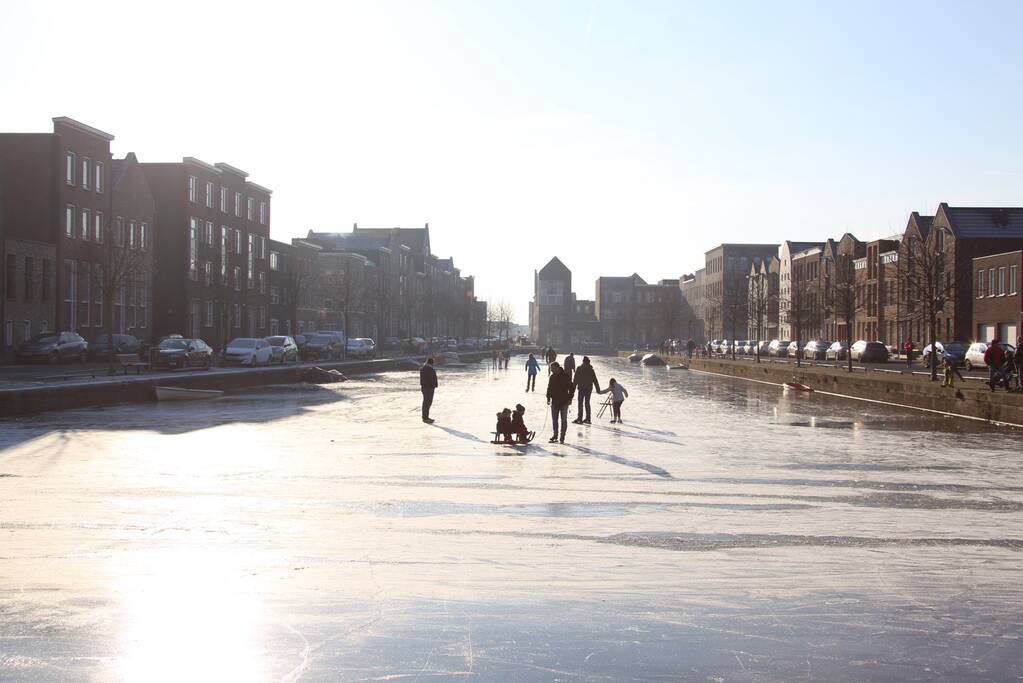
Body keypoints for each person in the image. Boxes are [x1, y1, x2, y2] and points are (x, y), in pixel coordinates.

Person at [545, 361, 573, 443]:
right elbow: (549, 387)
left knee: (563, 420)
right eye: (551, 368)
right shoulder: (552, 377)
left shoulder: (565, 376)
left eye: (552, 368)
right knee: (554, 420)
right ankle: (555, 435)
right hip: (554, 401)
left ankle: (562, 436)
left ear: (557, 367)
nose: (551, 370)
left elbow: (572, 388)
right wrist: (548, 397)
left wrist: (570, 398)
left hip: (564, 402)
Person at [571, 355, 601, 424]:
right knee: (587, 403)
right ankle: (588, 418)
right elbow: (595, 380)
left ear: (583, 362)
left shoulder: (579, 369)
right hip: (588, 389)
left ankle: (580, 419)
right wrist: (598, 390)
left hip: (581, 389)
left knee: (580, 404)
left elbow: (575, 380)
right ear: (588, 362)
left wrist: (572, 390)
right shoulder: (591, 370)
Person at [419, 357, 438, 423]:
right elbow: (432, 379)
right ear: (431, 363)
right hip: (429, 388)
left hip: (424, 387)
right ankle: (425, 418)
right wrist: (434, 386)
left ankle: (425, 417)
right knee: (427, 403)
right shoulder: (430, 369)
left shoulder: (423, 369)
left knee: (426, 402)